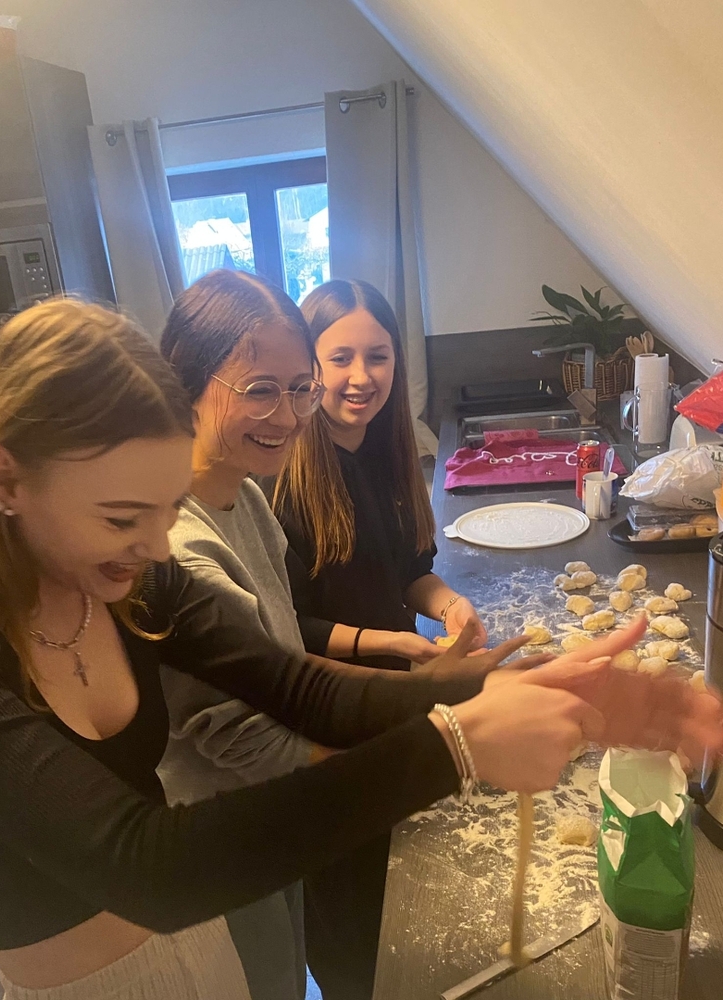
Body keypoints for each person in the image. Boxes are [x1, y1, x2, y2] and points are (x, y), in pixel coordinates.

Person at [0, 299, 718, 1000]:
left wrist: (517, 690)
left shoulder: (122, 579)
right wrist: (455, 747)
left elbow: (303, 690)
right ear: (4, 479)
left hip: (205, 950)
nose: (154, 547)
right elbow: (147, 865)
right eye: (121, 518)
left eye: (166, 510)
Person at [156, 270, 547, 1000]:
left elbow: (290, 678)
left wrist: (438, 690)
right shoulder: (182, 548)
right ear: (186, 383)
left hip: (281, 812)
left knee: (298, 969)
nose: (287, 415)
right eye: (261, 390)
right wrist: (440, 742)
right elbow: (245, 739)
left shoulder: (243, 497)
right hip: (225, 832)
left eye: (296, 389)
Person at [273, 279, 488, 674]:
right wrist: (389, 642)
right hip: (333, 690)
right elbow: (287, 627)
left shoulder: (387, 453)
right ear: (308, 367)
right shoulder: (279, 481)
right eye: (340, 359)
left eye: (377, 357)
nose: (362, 377)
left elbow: (409, 573)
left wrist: (452, 607)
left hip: (397, 678)